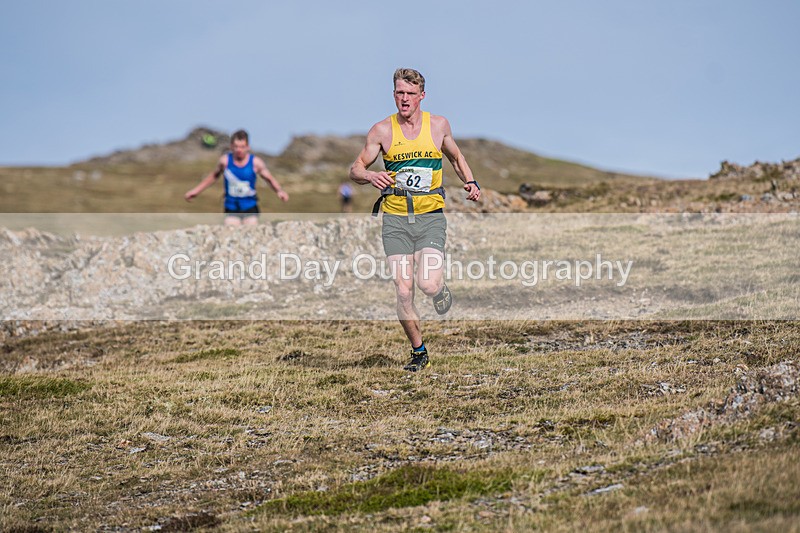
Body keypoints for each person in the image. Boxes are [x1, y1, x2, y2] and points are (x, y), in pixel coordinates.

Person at [349, 68, 481, 371]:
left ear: (422, 95)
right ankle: (419, 351)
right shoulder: (382, 131)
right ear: (393, 94)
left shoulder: (438, 125)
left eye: (410, 93)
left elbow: (456, 157)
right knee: (403, 287)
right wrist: (370, 175)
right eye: (399, 93)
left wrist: (470, 182)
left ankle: (439, 290)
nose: (404, 99)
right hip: (395, 218)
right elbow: (355, 168)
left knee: (427, 283)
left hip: (430, 217)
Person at [185, 130, 289, 225]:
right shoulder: (225, 161)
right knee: (231, 235)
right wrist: (195, 191)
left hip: (250, 206)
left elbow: (269, 178)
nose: (239, 150)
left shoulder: (256, 163)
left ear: (248, 147)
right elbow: (213, 176)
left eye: (242, 147)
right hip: (231, 207)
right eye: (236, 146)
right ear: (231, 146)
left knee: (251, 234)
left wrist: (279, 191)